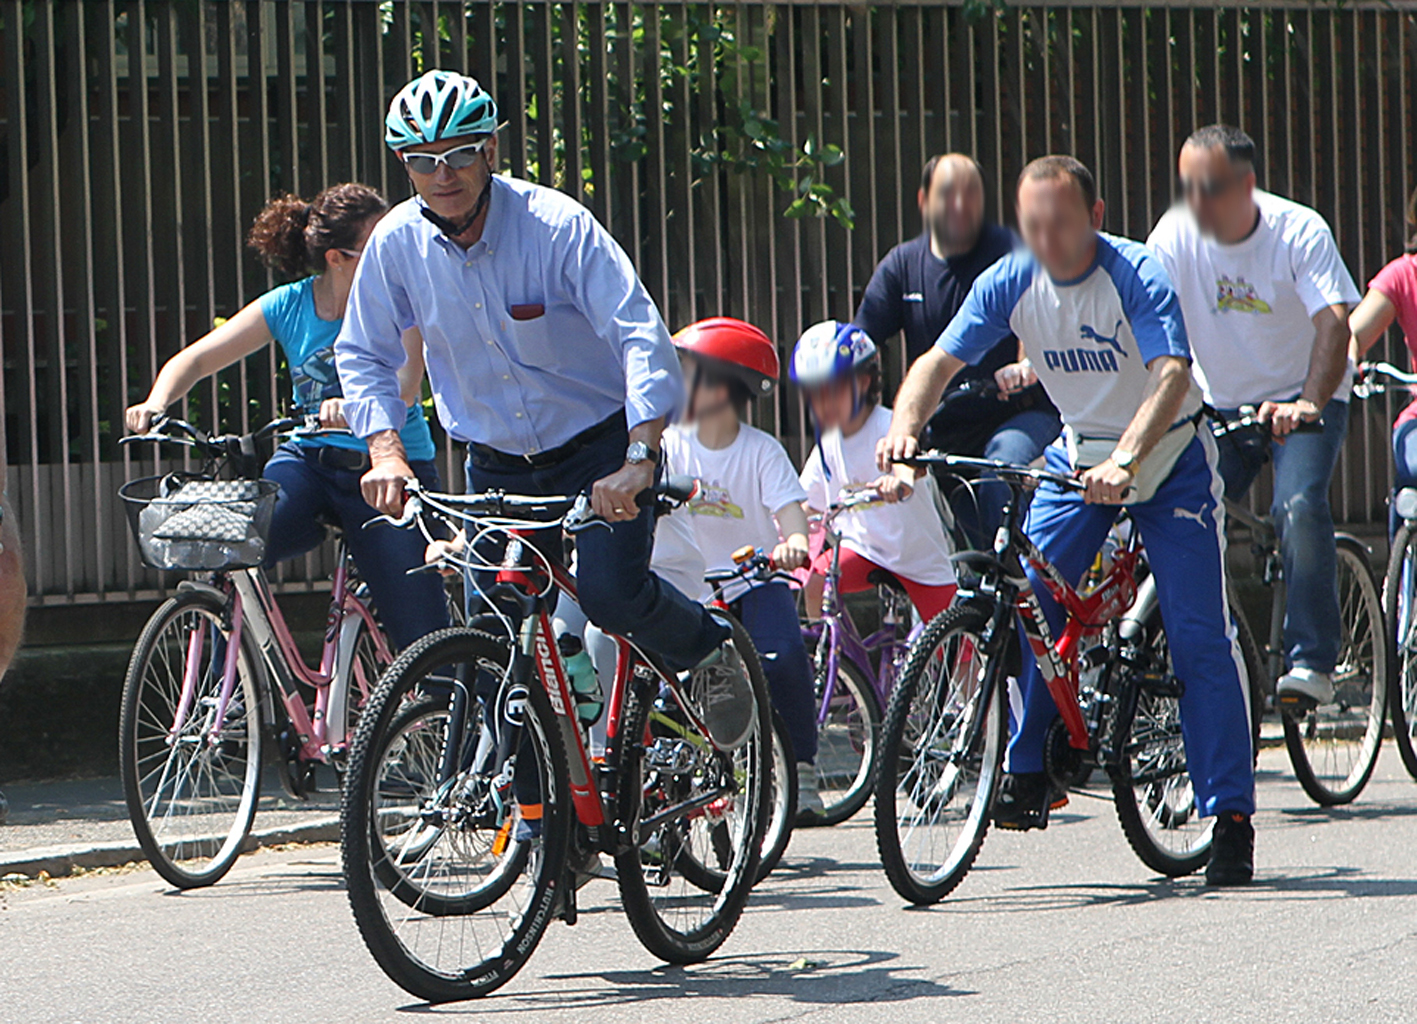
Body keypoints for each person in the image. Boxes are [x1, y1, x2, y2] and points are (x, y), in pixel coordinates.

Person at [335, 70, 752, 750]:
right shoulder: (393, 245)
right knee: (495, 635)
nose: (443, 176)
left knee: (610, 597)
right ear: (403, 166)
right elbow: (364, 354)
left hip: (598, 450)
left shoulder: (554, 226)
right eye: (421, 161)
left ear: (491, 151)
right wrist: (384, 449)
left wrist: (639, 458)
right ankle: (535, 827)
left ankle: (707, 651)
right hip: (494, 463)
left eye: (459, 154)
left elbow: (639, 337)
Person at [878, 155, 1257, 886]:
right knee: (1028, 594)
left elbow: (1170, 374)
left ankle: (1230, 815)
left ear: (1096, 215)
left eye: (1060, 221)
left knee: (1195, 635)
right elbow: (934, 363)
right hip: (1077, 451)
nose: (1046, 238)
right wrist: (902, 433)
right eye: (1032, 224)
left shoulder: (1135, 272)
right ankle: (1034, 763)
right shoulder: (1011, 279)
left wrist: (1126, 461)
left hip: (1166, 453)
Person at [125, 185, 449, 651]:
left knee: (423, 631)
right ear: (337, 257)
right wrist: (156, 403)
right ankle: (226, 693)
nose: (392, 257)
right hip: (309, 462)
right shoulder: (289, 305)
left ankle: (437, 709)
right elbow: (194, 360)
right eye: (378, 248)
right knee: (231, 548)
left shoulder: (401, 303)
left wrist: (355, 407)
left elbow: (405, 383)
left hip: (390, 470)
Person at [1147, 125, 1360, 710]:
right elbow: (1143, 315)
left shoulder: (1297, 230)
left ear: (1248, 185)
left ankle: (1312, 659)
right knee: (1175, 509)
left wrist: (1309, 403)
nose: (1196, 203)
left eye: (1210, 188)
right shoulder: (1174, 236)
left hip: (1304, 397)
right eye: (1187, 187)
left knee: (1295, 505)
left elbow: (1334, 320)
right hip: (1223, 402)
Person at [853, 153, 1060, 542]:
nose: (961, 204)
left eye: (972, 193)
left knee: (1001, 469)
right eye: (948, 194)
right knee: (964, 546)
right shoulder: (902, 265)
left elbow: (1042, 323)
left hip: (1016, 416)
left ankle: (1027, 583)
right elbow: (861, 341)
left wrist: (1024, 364)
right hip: (945, 425)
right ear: (923, 200)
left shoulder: (1012, 257)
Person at [663, 318, 822, 819]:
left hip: (755, 579)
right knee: (667, 682)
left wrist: (794, 543)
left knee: (784, 660)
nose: (679, 380)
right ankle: (671, 779)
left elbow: (791, 516)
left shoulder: (761, 450)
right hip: (689, 586)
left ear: (725, 385)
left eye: (691, 371)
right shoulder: (668, 445)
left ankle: (802, 768)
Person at [791, 319, 957, 625]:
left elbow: (911, 464)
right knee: (816, 581)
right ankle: (829, 658)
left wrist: (899, 480)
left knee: (958, 649)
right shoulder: (828, 440)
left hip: (919, 559)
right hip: (864, 550)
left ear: (864, 381)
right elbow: (808, 502)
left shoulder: (890, 426)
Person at [1346, 186, 1417, 535]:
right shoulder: (1404, 275)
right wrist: (1345, 363)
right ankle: (1403, 579)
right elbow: (1354, 333)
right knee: (1413, 468)